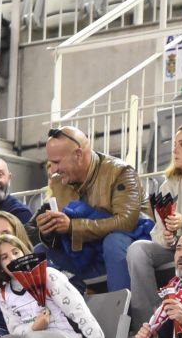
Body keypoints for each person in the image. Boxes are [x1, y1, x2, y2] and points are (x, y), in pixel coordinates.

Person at [38, 126, 146, 294]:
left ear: (78, 155)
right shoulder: (59, 181)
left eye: (57, 162)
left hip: (124, 252)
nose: (53, 170)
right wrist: (50, 232)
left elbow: (127, 223)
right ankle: (67, 313)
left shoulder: (120, 172)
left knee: (114, 242)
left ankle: (125, 316)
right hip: (87, 258)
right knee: (40, 253)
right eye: (50, 163)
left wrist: (73, 227)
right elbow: (63, 237)